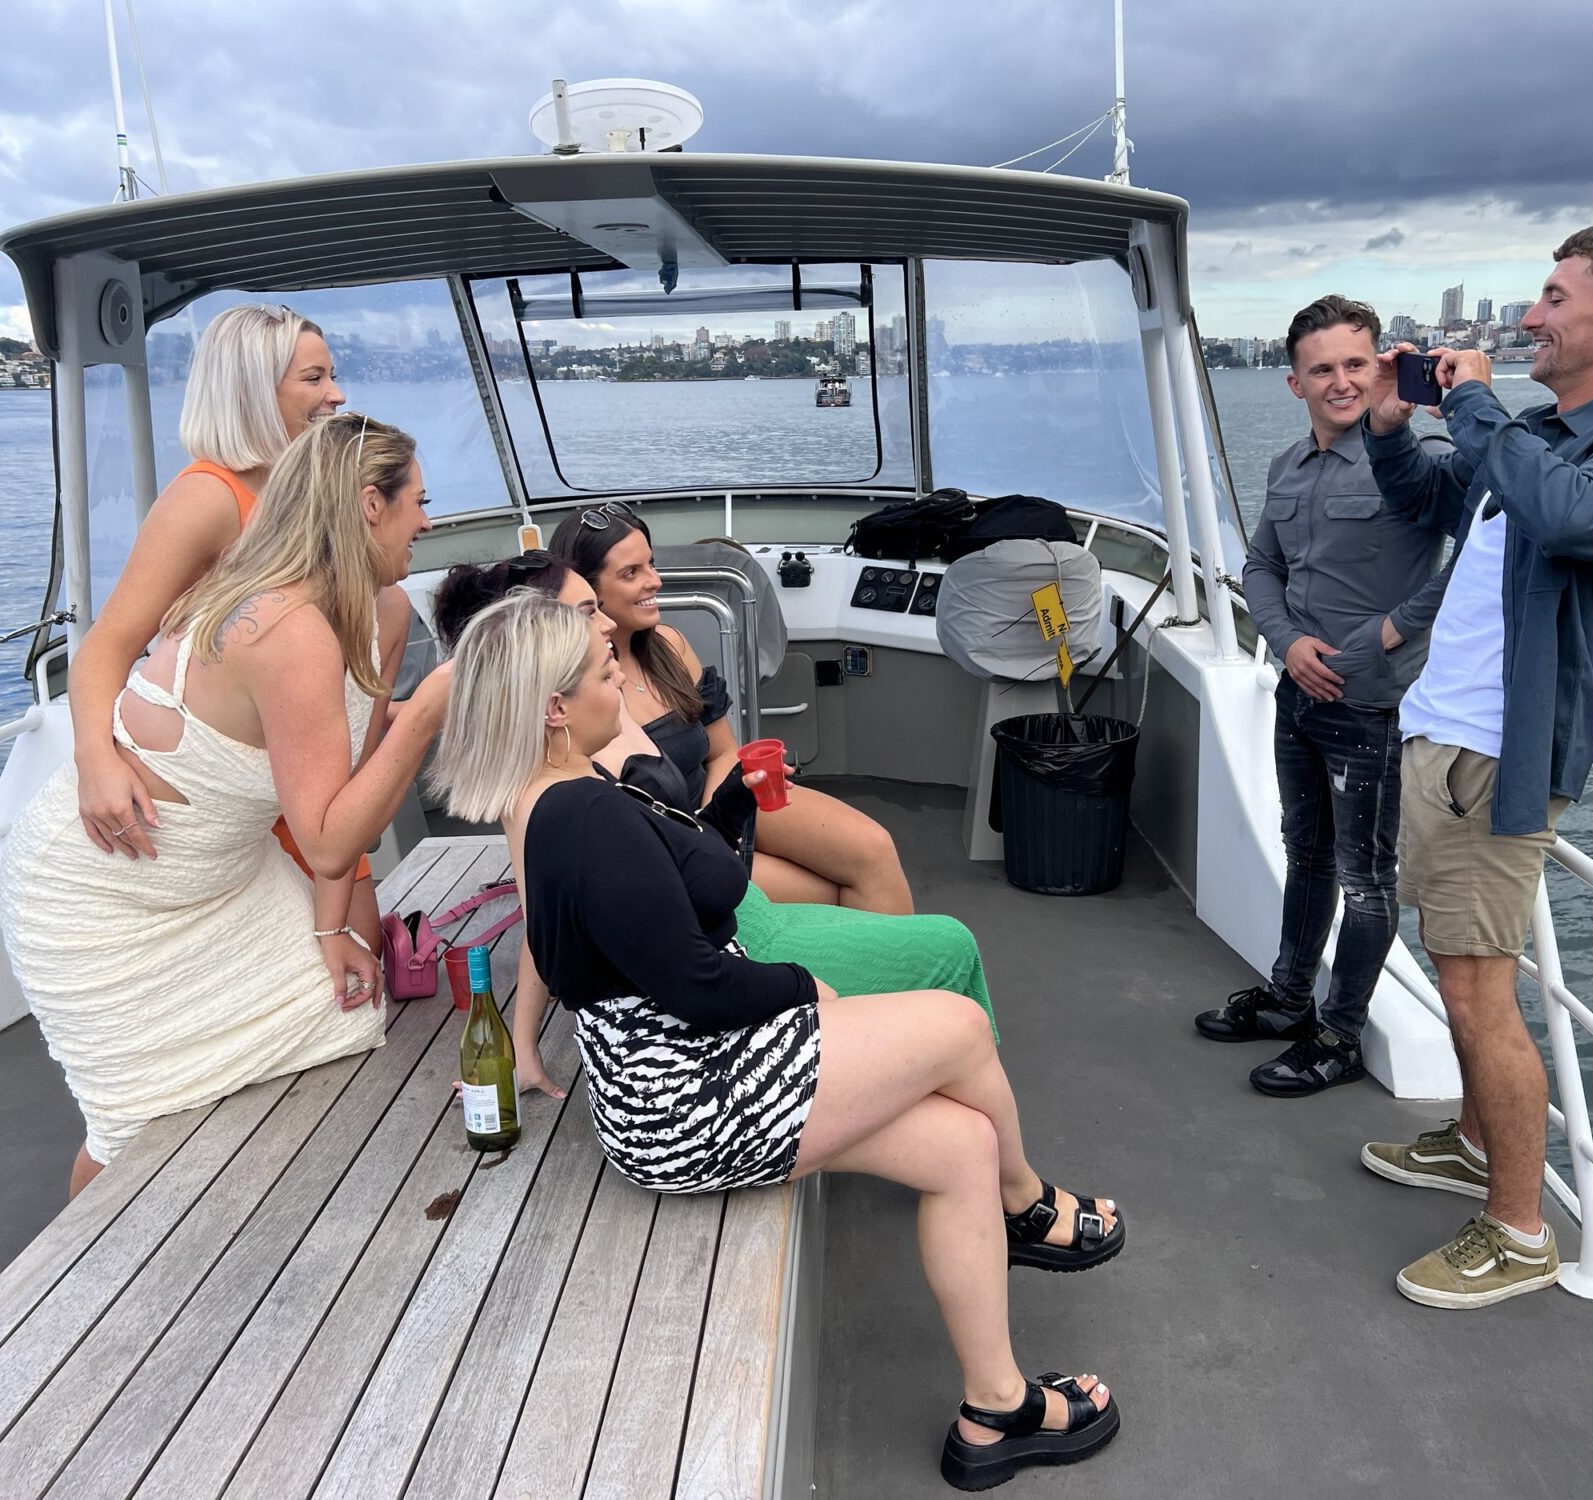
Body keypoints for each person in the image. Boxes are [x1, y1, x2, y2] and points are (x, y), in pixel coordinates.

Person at [433, 591, 1123, 1490]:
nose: (620, 680)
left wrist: (732, 804)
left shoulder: (558, 801)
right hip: (689, 1094)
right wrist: (807, 987)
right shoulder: (583, 816)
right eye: (605, 673)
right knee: (955, 1025)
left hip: (665, 1085)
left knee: (961, 1143)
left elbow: (684, 892)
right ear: (556, 706)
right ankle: (1027, 1206)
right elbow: (695, 982)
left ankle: (994, 1412)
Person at [1357, 222, 1593, 1308]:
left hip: (1498, 755)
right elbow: (1430, 499)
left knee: (1472, 989)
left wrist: (1473, 403)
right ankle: (1469, 1140)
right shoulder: (1538, 431)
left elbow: (1570, 515)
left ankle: (1516, 1230)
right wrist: (1386, 428)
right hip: (1444, 733)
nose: (1529, 315)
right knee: (1454, 969)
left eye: (1552, 297)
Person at [1, 412, 449, 1198]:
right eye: (418, 501)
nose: (428, 521)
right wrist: (425, 714)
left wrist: (329, 926)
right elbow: (326, 837)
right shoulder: (286, 628)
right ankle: (78, 1281)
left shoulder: (377, 612)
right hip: (101, 896)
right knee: (128, 1122)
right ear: (370, 508)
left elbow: (337, 806)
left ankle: (227, 1219)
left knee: (341, 1017)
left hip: (223, 881)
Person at [428, 555, 995, 1098]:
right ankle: (917, 1066)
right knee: (947, 947)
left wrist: (729, 801)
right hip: (722, 938)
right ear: (543, 665)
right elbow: (548, 923)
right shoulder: (561, 782)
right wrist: (523, 1045)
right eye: (583, 613)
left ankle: (901, 1068)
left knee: (868, 870)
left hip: (717, 891)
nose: (602, 623)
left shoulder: (601, 711)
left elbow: (669, 824)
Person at [63, 305, 388, 951]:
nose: (337, 394)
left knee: (362, 959)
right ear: (252, 391)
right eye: (314, 379)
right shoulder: (206, 498)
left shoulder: (305, 496)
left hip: (303, 780)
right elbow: (107, 645)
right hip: (238, 801)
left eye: (332, 376)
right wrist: (95, 760)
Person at [1198, 296, 1450, 1096]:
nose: (1343, 382)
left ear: (1381, 367)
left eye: (1357, 364)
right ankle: (1288, 997)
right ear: (1293, 383)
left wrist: (1383, 636)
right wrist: (1287, 641)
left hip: (1370, 704)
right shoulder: (1286, 467)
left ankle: (1338, 1037)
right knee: (1302, 851)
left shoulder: (1417, 460)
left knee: (1365, 878)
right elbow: (1261, 566)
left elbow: (1468, 568)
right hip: (1297, 693)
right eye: (1324, 369)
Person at [548, 505, 915, 914]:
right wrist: (706, 838)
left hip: (720, 807)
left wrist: (722, 815)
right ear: (586, 591)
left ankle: (897, 969)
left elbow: (722, 751)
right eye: (630, 573)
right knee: (830, 894)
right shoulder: (574, 692)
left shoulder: (669, 645)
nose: (655, 581)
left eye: (651, 563)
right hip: (672, 847)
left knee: (873, 850)